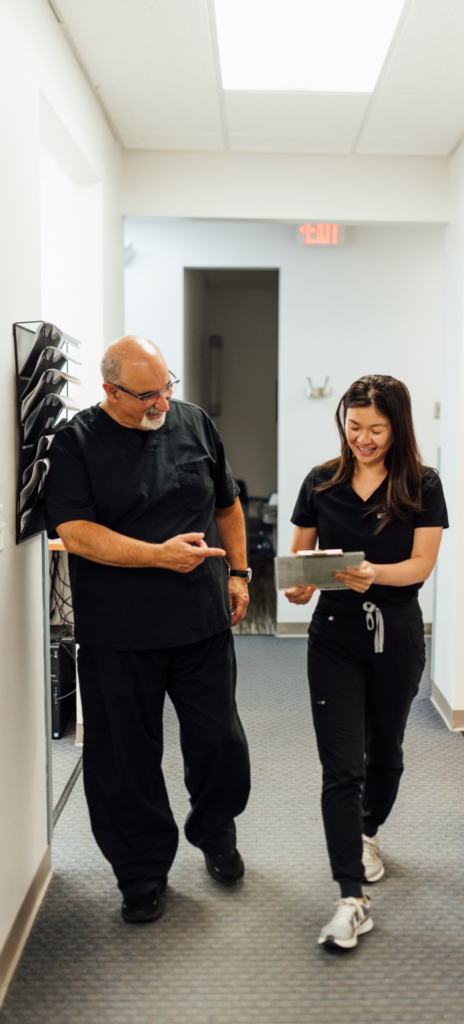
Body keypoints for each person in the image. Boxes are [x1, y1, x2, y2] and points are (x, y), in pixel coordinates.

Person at [44, 335, 252, 924]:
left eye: (167, 387)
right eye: (146, 394)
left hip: (200, 622)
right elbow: (77, 532)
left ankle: (215, 831)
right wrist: (158, 555)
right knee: (124, 759)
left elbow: (228, 505)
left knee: (220, 741)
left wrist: (238, 574)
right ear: (110, 390)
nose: (161, 402)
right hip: (120, 632)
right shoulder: (77, 442)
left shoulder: (192, 423)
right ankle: (141, 873)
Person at [286, 375, 448, 950]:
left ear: (398, 427)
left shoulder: (422, 485)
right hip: (334, 635)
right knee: (341, 765)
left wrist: (374, 574)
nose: (363, 439)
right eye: (354, 427)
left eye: (376, 429)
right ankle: (350, 897)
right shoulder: (321, 481)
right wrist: (300, 587)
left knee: (386, 750)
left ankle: (369, 831)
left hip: (397, 633)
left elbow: (421, 566)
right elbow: (301, 559)